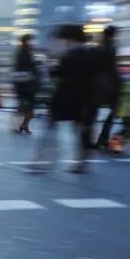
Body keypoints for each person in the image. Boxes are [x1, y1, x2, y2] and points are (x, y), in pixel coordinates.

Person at [32, 24, 97, 174]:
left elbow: (58, 74)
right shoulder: (89, 54)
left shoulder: (70, 54)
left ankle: (43, 159)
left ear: (68, 39)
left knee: (49, 127)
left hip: (64, 96)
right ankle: (80, 160)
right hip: (83, 98)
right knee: (78, 129)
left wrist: (49, 67)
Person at [94, 26, 123, 149]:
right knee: (116, 109)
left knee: (94, 110)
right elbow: (112, 66)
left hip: (98, 82)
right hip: (110, 82)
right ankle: (104, 137)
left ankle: (101, 138)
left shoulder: (99, 46)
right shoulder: (111, 47)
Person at [10, 34, 39, 134]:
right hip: (27, 84)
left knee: (23, 105)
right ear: (27, 41)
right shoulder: (27, 52)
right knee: (29, 106)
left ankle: (21, 125)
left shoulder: (20, 51)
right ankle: (23, 125)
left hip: (20, 83)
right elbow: (30, 66)